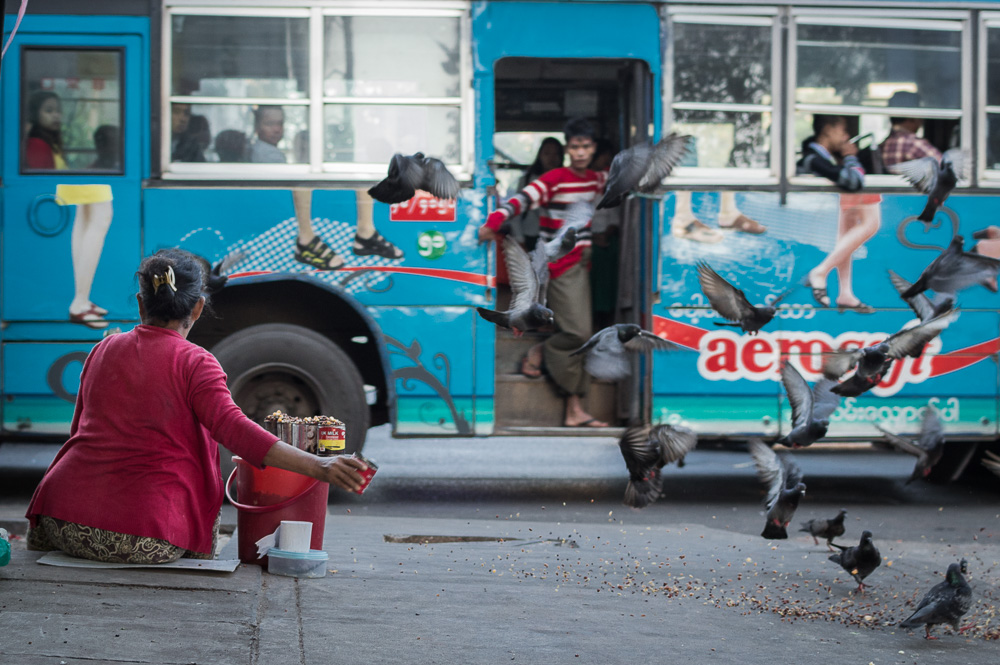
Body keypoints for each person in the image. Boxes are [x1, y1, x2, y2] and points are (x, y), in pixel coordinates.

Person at [25, 249, 368, 564]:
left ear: (141, 304)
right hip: (144, 537)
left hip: (62, 521)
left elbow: (78, 433)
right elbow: (235, 430)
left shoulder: (103, 349)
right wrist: (319, 466)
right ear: (198, 307)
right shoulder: (196, 362)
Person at [479, 117, 608, 428]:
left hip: (580, 262)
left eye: (586, 146)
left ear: (593, 149)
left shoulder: (595, 179)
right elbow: (521, 200)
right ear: (568, 148)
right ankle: (543, 357)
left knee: (579, 332)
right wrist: (494, 223)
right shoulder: (555, 178)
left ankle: (573, 407)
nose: (580, 152)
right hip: (561, 264)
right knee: (577, 334)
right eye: (575, 147)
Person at [24, 91, 116, 328]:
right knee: (100, 212)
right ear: (36, 114)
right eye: (48, 110)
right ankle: (80, 302)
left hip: (64, 190)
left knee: (90, 217)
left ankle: (81, 299)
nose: (56, 115)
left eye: (58, 110)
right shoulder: (38, 143)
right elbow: (40, 179)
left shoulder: (48, 141)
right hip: (56, 195)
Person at [799, 115, 881, 313]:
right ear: (827, 129)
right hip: (823, 208)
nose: (846, 136)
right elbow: (854, 182)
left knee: (846, 234)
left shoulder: (823, 157)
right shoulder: (814, 158)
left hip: (837, 204)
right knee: (870, 224)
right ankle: (821, 271)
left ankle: (845, 292)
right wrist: (851, 157)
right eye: (842, 131)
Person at [515, 137, 564, 250]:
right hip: (531, 236)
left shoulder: (567, 181)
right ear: (540, 156)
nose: (552, 158)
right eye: (547, 153)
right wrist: (520, 240)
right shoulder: (527, 181)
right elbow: (516, 213)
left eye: (556, 154)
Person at [879, 91, 942, 168]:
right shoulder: (913, 144)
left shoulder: (883, 144)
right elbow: (943, 167)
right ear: (912, 116)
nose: (922, 120)